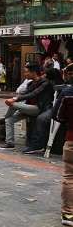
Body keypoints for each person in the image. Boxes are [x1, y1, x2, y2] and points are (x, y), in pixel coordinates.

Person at [0, 63, 53, 150]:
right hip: (28, 108)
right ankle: (10, 143)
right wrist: (14, 98)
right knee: (9, 120)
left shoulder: (45, 83)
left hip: (39, 108)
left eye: (26, 72)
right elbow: (25, 93)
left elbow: (33, 94)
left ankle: (1, 120)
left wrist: (14, 100)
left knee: (12, 105)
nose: (24, 74)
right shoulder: (31, 83)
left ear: (33, 72)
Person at [21, 67, 62, 154]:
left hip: (54, 108)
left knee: (41, 118)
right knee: (33, 116)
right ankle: (32, 142)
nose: (43, 75)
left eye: (45, 74)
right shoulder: (46, 83)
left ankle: (38, 145)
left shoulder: (50, 83)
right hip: (48, 107)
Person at [51, 64, 73, 225]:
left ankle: (69, 214)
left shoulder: (66, 93)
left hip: (72, 137)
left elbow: (57, 115)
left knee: (70, 177)